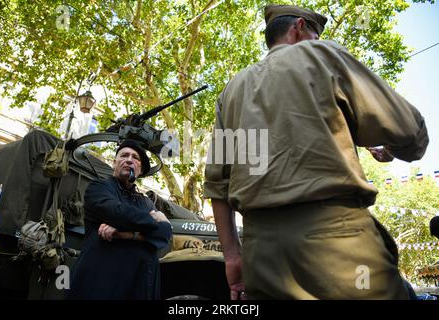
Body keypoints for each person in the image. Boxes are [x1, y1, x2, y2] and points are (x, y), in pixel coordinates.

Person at [204, 4, 429, 300]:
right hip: (337, 246)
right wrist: (393, 149)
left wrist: (233, 257)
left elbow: (218, 185)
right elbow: (409, 131)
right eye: (315, 34)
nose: (318, 42)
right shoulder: (322, 55)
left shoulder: (232, 90)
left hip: (261, 256)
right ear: (299, 28)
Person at [67, 140, 172, 299]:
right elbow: (118, 213)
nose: (129, 159)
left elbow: (165, 233)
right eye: (124, 155)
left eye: (135, 158)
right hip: (101, 286)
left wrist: (128, 234)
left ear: (140, 169)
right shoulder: (99, 188)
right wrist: (157, 219)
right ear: (114, 163)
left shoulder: (145, 201)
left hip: (137, 287)